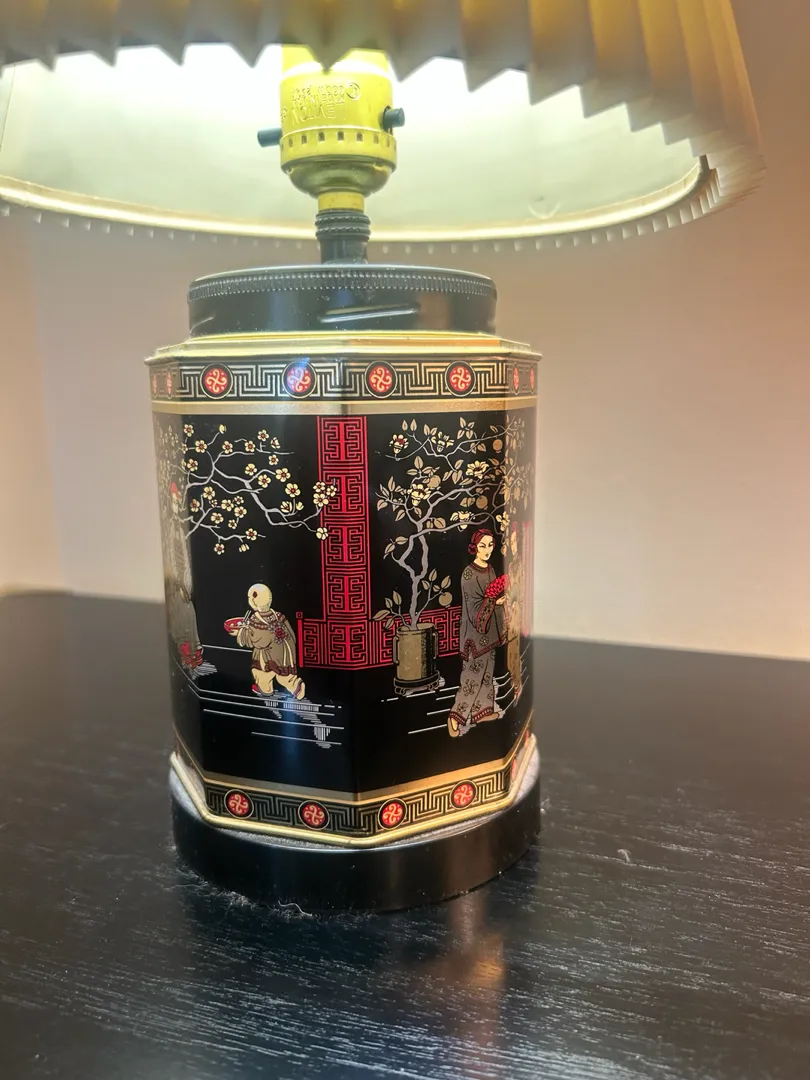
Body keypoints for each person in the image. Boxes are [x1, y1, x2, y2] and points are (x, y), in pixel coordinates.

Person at [447, 528, 507, 738]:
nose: (487, 550)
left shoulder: (490, 570)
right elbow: (473, 609)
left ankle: (481, 712)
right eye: (483, 546)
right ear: (474, 547)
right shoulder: (469, 574)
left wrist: (498, 603)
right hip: (474, 633)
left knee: (487, 675)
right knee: (472, 678)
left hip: (489, 633)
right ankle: (455, 716)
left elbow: (492, 597)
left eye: (490, 545)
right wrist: (493, 602)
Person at [228, 583, 305, 699]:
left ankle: (265, 689)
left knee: (261, 671)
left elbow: (257, 640)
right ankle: (296, 687)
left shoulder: (256, 619)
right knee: (285, 674)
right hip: (286, 650)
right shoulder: (279, 615)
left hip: (269, 653)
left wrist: (240, 633)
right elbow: (291, 634)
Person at [164, 481, 203, 669]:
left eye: (177, 501)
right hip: (175, 581)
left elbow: (185, 557)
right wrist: (179, 583)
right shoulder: (171, 525)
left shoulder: (180, 525)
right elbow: (172, 555)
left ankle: (192, 654)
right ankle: (186, 654)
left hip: (184, 578)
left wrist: (186, 583)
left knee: (189, 613)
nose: (175, 505)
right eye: (173, 501)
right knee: (182, 616)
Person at [506, 525, 524, 701]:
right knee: (510, 647)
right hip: (511, 609)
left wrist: (511, 599)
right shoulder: (511, 565)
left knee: (515, 646)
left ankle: (517, 683)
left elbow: (518, 588)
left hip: (518, 609)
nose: (513, 546)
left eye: (515, 541)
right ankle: (513, 681)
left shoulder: (520, 565)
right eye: (510, 542)